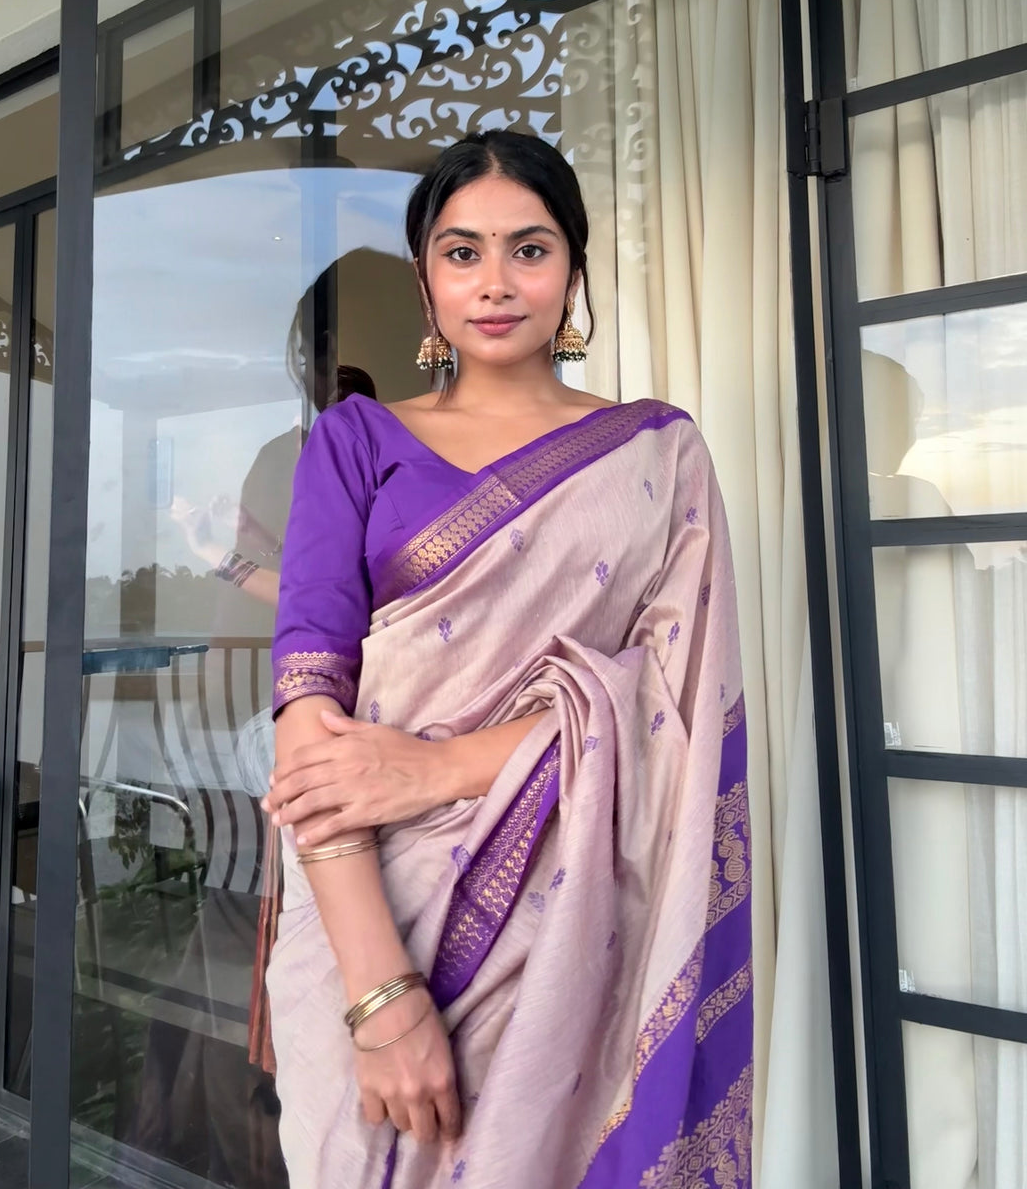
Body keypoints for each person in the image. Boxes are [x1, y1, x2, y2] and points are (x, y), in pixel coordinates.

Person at [258, 129, 752, 1188]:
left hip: (577, 923)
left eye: (529, 249)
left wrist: (439, 767)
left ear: (573, 269)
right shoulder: (356, 441)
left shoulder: (659, 452)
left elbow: (675, 699)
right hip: (368, 910)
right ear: (426, 279)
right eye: (461, 251)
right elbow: (309, 730)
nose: (494, 282)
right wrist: (382, 998)